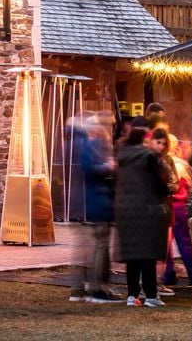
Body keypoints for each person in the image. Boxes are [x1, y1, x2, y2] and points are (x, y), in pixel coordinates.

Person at [114, 115, 173, 307]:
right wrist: (171, 188)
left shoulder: (122, 155)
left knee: (133, 256)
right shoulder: (148, 157)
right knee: (147, 254)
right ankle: (151, 295)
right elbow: (162, 184)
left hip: (126, 211)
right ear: (146, 136)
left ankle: (132, 295)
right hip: (147, 211)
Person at [72, 113, 117, 303]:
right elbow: (90, 171)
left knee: (95, 246)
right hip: (95, 202)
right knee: (98, 246)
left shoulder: (93, 146)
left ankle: (88, 288)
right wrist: (108, 167)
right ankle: (96, 288)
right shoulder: (88, 147)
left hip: (96, 202)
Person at [153, 128, 192, 287]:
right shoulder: (181, 164)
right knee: (182, 243)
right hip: (177, 208)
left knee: (168, 245)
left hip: (170, 206)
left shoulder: (166, 163)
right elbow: (186, 191)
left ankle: (170, 275)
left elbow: (176, 190)